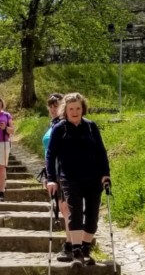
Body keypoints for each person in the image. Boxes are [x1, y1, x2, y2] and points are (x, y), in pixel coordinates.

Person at [44, 92, 111, 264]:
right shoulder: (59, 128)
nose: (75, 112)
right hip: (69, 177)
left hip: (92, 176)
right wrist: (51, 178)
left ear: (83, 109)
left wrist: (105, 174)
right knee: (75, 212)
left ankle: (86, 248)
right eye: (71, 108)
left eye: (78, 108)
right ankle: (76, 251)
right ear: (65, 110)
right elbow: (50, 155)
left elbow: (101, 152)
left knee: (92, 215)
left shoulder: (90, 126)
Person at [40, 93, 75, 260]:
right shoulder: (53, 124)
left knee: (66, 208)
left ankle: (71, 244)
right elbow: (48, 152)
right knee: (63, 208)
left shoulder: (63, 125)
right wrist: (48, 174)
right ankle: (71, 242)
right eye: (51, 106)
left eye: (56, 106)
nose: (54, 109)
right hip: (53, 172)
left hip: (63, 172)